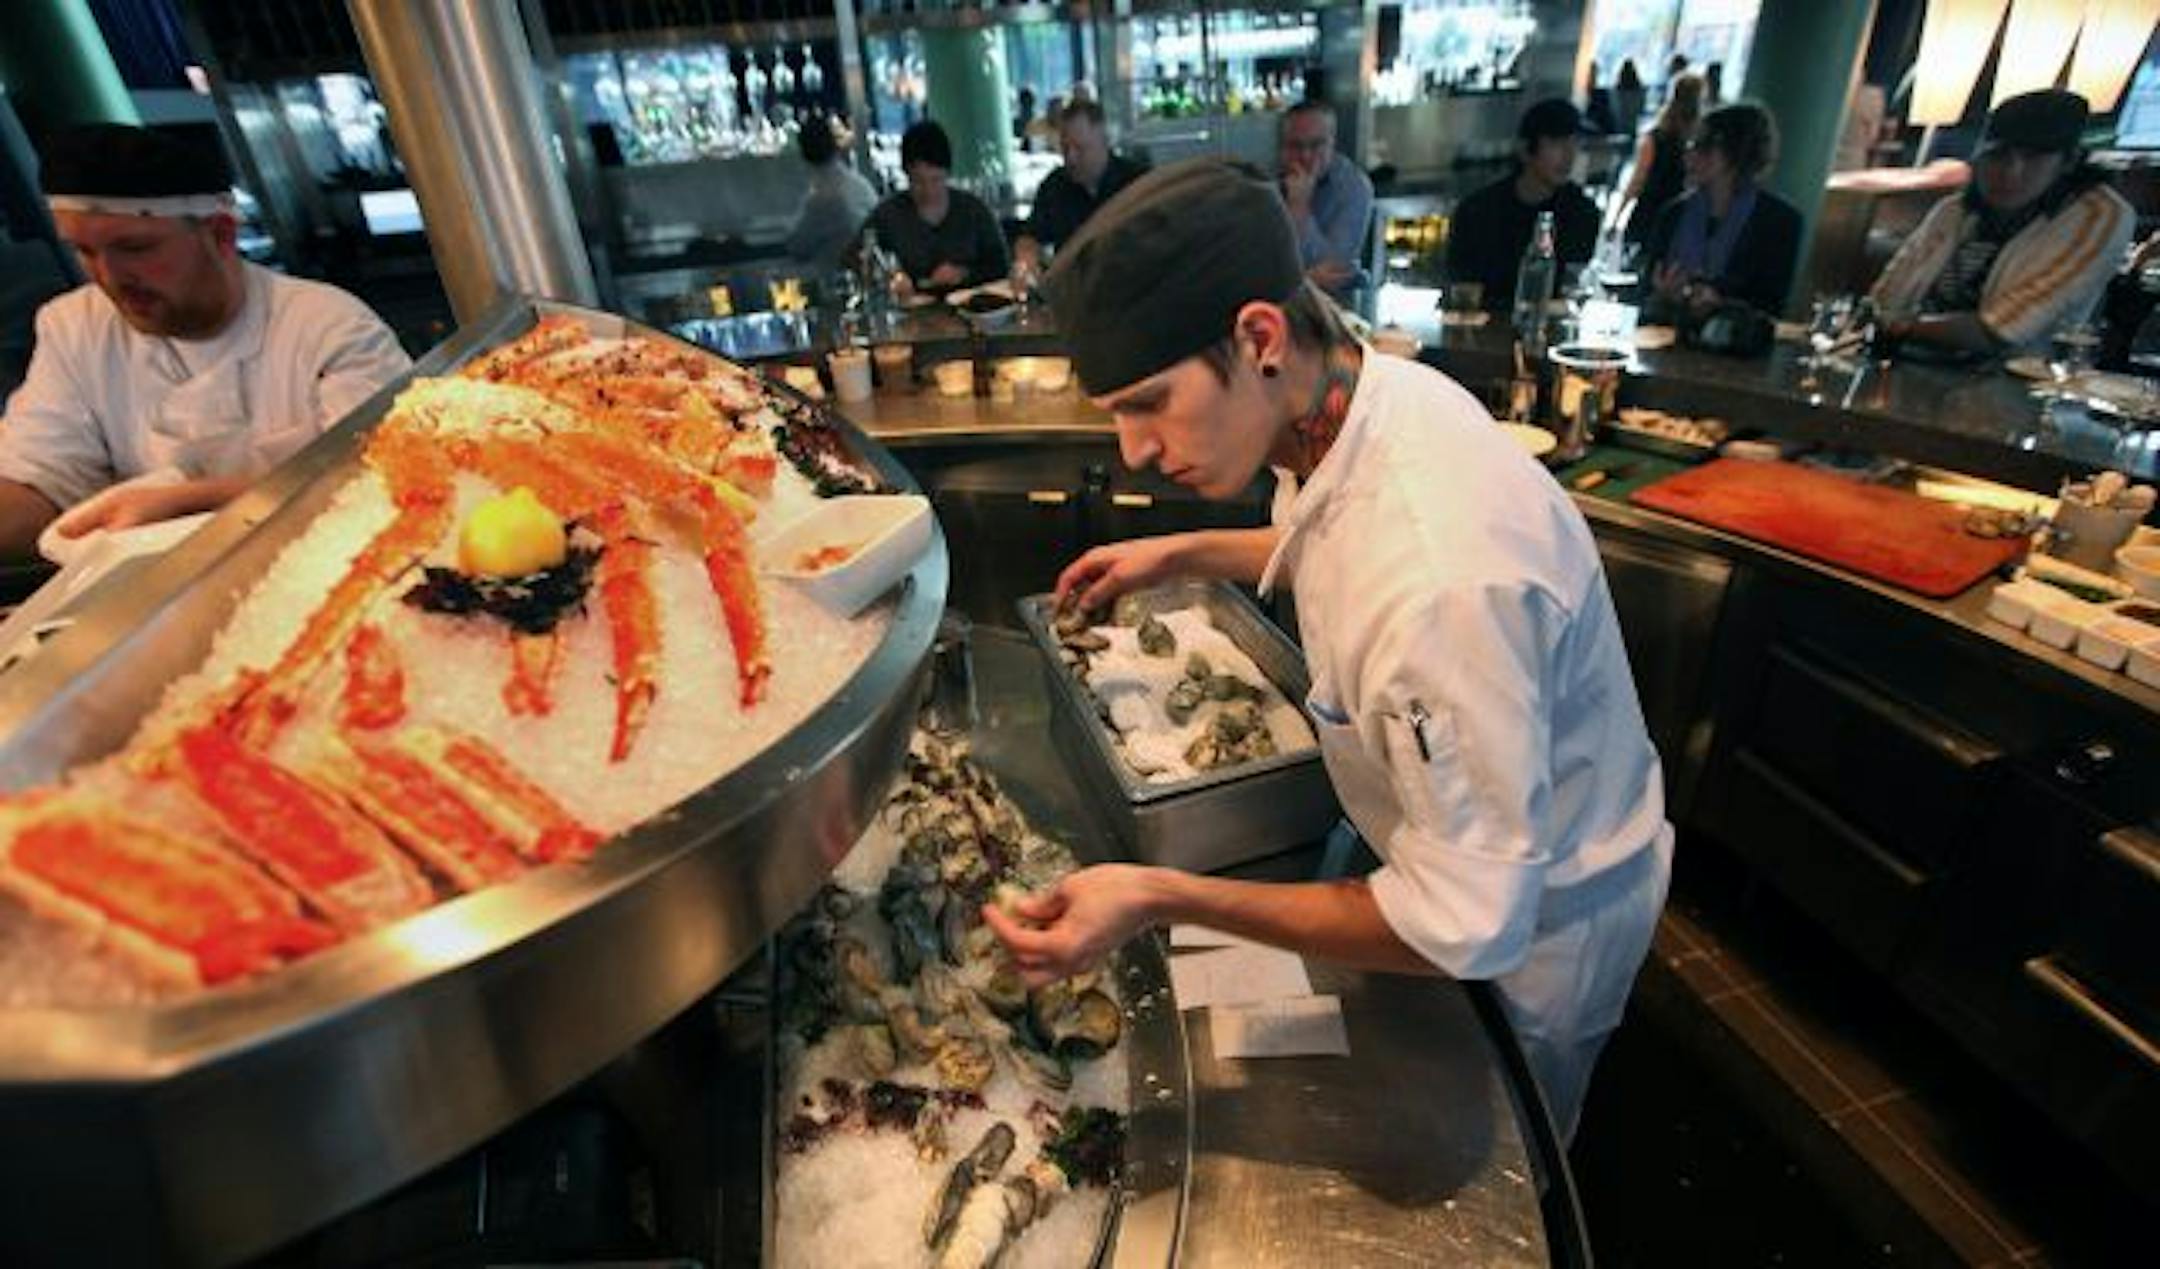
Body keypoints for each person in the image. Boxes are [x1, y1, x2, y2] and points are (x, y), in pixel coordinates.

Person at [984, 159, 1673, 1140]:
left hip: (1537, 927)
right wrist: (1180, 552)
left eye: (1149, 402)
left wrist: (1157, 895)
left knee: (1505, 1153)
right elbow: (1337, 537)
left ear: (1258, 336)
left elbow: (1463, 924)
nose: (1133, 450)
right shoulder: (1351, 395)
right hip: (1460, 850)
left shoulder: (1442, 580)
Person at [0, 124, 410, 562]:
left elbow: (388, 477)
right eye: (85, 251)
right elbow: (38, 473)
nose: (109, 277)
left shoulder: (328, 326)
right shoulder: (73, 327)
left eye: (135, 248)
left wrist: (193, 501)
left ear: (220, 234)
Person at [1871, 89, 2133, 358]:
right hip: (1905, 361)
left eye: (2034, 157)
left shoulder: (2098, 214)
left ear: (2068, 162)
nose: (2011, 171)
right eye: (1998, 154)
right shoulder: (1953, 210)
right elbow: (1882, 301)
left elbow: (2000, 332)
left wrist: (1898, 328)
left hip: (2011, 384)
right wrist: (1885, 324)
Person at [1639, 102, 1803, 319]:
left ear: (1736, 154)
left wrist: (1721, 305)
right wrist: (1662, 297)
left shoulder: (1779, 221)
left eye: (1702, 146)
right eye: (1690, 145)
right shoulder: (1672, 213)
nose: (1689, 156)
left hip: (1734, 348)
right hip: (1666, 341)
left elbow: (1772, 306)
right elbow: (1643, 294)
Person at [1446, 99, 1601, 314]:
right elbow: (1460, 286)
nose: (1569, 155)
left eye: (1575, 143)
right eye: (1556, 143)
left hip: (1549, 330)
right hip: (1482, 329)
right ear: (1526, 150)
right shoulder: (1478, 210)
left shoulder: (1581, 213)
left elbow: (1570, 288)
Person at [854, 120, 1010, 298]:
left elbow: (1001, 267)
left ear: (948, 173)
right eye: (918, 181)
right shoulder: (888, 215)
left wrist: (963, 273)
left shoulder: (973, 210)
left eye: (936, 180)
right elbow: (856, 260)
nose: (928, 191)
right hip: (910, 315)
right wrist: (891, 277)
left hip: (972, 312)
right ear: (906, 175)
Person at [1011, 100, 1148, 284]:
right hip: (1072, 291)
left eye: (1080, 148)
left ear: (1104, 141)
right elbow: (1030, 236)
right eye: (1065, 148)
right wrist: (1026, 259)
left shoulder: (1137, 183)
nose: (1071, 158)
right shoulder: (1054, 184)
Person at [1276, 100, 1373, 299]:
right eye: (1295, 146)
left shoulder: (1353, 186)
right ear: (1282, 147)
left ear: (1332, 143)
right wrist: (1303, 279)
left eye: (1316, 144)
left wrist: (1299, 207)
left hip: (1337, 304)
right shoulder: (1267, 182)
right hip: (1279, 299)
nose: (1305, 155)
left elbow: (1333, 270)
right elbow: (1258, 263)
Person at [785, 113, 878, 278]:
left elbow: (797, 247)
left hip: (837, 283)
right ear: (835, 147)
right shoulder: (860, 185)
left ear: (803, 155)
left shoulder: (822, 200)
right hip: (870, 276)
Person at [1618, 71, 1703, 246]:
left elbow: (1638, 180)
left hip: (1648, 215)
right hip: (1682, 221)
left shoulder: (1656, 138)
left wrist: (1618, 216)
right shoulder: (1698, 142)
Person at [1613, 60, 1646, 140]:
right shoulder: (1639, 90)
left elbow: (1615, 108)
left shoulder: (1617, 90)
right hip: (1634, 124)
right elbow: (1641, 107)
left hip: (1619, 124)